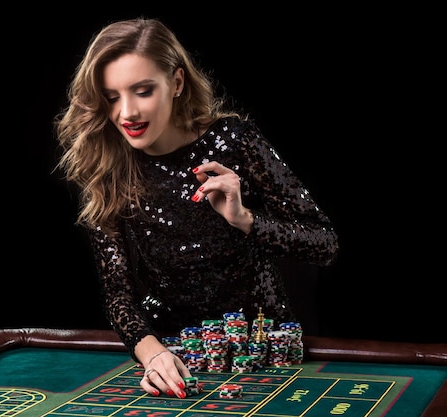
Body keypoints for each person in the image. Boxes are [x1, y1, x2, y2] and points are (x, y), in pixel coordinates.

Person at [53, 17, 339, 399]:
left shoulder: (234, 140)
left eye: (142, 91)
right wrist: (153, 355)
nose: (127, 113)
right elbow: (118, 294)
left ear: (176, 82)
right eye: (111, 97)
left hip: (260, 353)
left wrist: (245, 220)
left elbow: (324, 244)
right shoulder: (109, 168)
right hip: (174, 356)